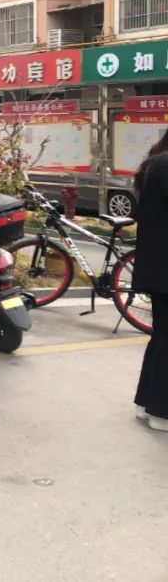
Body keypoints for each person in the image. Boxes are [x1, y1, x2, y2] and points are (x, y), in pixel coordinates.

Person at [132, 129, 168, 432]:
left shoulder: (159, 162)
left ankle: (146, 404)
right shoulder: (166, 164)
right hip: (164, 268)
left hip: (159, 267)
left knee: (162, 336)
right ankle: (161, 412)